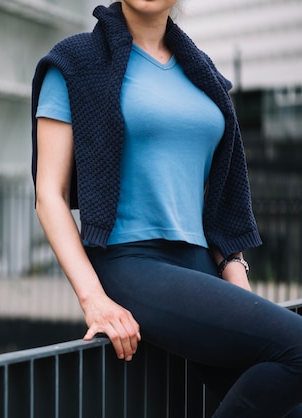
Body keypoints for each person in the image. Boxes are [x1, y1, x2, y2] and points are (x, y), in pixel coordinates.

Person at [31, 1, 302, 416]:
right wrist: (94, 300)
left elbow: (215, 194)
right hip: (132, 262)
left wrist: (233, 270)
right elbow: (50, 194)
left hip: (199, 266)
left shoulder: (201, 70)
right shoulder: (74, 62)